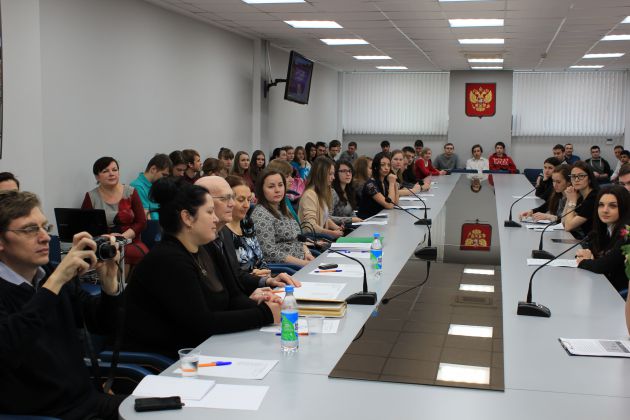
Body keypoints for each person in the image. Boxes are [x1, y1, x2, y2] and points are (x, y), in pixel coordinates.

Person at [122, 177, 280, 358]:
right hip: (166, 360)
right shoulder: (168, 260)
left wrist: (263, 304)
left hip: (206, 348)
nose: (215, 218)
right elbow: (202, 323)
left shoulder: (207, 247)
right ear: (187, 218)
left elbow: (233, 297)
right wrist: (264, 314)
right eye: (210, 212)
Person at [0, 190, 124, 419]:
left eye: (45, 227)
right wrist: (56, 280)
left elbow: (101, 324)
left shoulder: (48, 273)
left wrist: (109, 288)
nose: (45, 237)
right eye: (29, 230)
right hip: (46, 413)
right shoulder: (52, 278)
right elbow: (10, 348)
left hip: (87, 401)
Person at [196, 175, 297, 295]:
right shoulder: (207, 239)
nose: (232, 204)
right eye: (239, 199)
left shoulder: (231, 229)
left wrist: (267, 280)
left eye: (249, 200)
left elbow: (237, 274)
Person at [225, 176, 301, 276]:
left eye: (249, 200)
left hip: (264, 279)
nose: (247, 205)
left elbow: (260, 259)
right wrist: (257, 277)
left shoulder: (247, 223)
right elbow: (232, 274)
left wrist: (267, 277)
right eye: (241, 200)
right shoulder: (222, 233)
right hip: (249, 282)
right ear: (227, 201)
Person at [81, 157, 149, 267]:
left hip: (130, 240)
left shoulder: (131, 192)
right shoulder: (91, 196)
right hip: (103, 243)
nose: (111, 174)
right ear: (97, 176)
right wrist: (108, 238)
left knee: (132, 253)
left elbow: (141, 222)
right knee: (109, 254)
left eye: (114, 170)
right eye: (105, 171)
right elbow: (86, 226)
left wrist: (122, 238)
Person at [250, 170, 315, 267]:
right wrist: (303, 264)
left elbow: (297, 238)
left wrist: (307, 253)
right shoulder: (260, 214)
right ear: (261, 190)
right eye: (271, 186)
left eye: (280, 185)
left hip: (302, 262)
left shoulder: (283, 208)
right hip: (286, 269)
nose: (277, 190)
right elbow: (269, 252)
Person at [576, 185, 630, 292]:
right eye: (601, 205)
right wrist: (586, 256)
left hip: (619, 293)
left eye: (613, 206)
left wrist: (584, 262)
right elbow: (592, 253)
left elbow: (603, 265)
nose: (605, 210)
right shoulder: (606, 228)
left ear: (624, 207)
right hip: (605, 285)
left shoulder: (627, 232)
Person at [299, 157, 345, 239]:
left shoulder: (322, 193)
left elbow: (324, 219)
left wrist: (337, 228)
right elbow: (310, 226)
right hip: (313, 241)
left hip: (321, 239)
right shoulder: (310, 195)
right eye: (330, 174)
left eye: (333, 174)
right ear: (320, 175)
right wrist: (331, 233)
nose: (333, 177)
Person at [357, 152, 399, 219]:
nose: (386, 168)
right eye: (382, 165)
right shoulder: (370, 185)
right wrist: (391, 183)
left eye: (388, 165)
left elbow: (395, 203)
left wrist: (394, 183)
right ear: (376, 167)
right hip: (367, 221)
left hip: (379, 219)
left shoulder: (384, 182)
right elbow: (389, 205)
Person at [130, 153, 172, 220]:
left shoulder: (157, 185)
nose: (165, 179)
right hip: (154, 225)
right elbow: (146, 217)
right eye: (164, 175)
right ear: (153, 169)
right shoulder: (137, 187)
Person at [563, 161, 599, 239]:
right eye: (573, 176)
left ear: (589, 179)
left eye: (581, 176)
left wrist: (572, 201)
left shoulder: (594, 198)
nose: (576, 179)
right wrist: (569, 198)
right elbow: (564, 222)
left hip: (596, 242)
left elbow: (568, 226)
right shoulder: (580, 196)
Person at [331, 160, 362, 225]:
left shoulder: (348, 191)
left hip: (349, 227)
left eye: (350, 171)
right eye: (344, 171)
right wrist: (350, 220)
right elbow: (327, 218)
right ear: (336, 173)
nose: (348, 174)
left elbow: (352, 214)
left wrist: (360, 222)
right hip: (337, 229)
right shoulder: (333, 192)